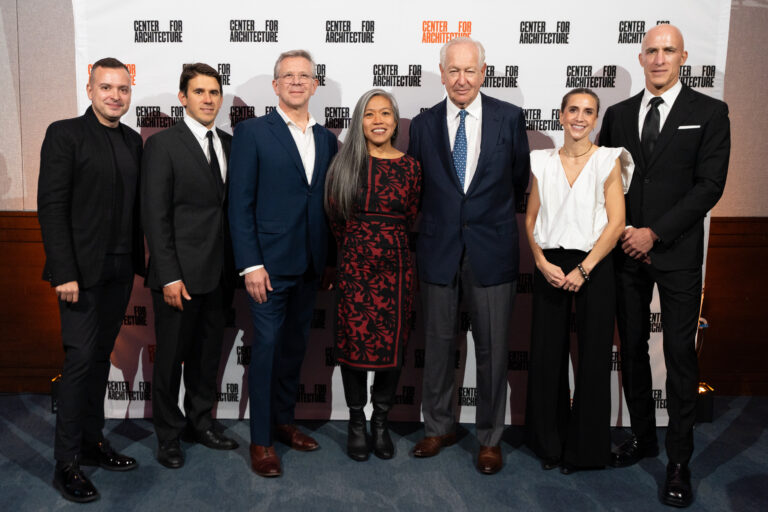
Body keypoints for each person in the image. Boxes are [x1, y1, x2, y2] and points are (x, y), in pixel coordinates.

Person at [598, 24, 730, 507]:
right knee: (630, 349)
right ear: (640, 57)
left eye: (668, 51)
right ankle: (643, 438)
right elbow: (607, 181)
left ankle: (678, 460)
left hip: (675, 254)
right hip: (625, 252)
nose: (659, 59)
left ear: (684, 56)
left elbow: (709, 186)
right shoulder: (616, 115)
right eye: (651, 50)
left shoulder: (711, 113)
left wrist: (655, 231)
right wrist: (627, 231)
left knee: (679, 357)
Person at [408, 37, 530, 474]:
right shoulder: (421, 126)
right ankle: (437, 428)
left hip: (492, 250)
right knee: (438, 347)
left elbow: (519, 181)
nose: (461, 79)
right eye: (452, 70)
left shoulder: (510, 119)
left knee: (494, 351)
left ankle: (490, 438)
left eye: (469, 70)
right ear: (441, 74)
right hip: (437, 250)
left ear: (483, 72)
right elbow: (418, 190)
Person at [38, 57, 144, 503]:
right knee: (80, 362)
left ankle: (92, 442)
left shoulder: (135, 141)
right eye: (106, 88)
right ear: (90, 90)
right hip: (78, 276)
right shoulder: (65, 134)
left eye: (122, 88)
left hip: (120, 271)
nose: (115, 95)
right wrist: (64, 272)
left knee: (100, 358)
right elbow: (52, 207)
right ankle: (67, 463)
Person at [228, 50, 338, 477]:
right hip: (268, 268)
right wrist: (250, 264)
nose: (296, 82)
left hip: (310, 264)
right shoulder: (253, 132)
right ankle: (260, 441)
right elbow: (240, 204)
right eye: (288, 76)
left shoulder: (328, 138)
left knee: (294, 349)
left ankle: (283, 420)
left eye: (304, 76)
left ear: (314, 85)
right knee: (268, 349)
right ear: (275, 86)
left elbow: (326, 204)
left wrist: (328, 260)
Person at [525, 88, 632, 474]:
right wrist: (539, 260)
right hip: (551, 265)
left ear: (596, 119)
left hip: (596, 263)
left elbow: (617, 222)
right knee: (547, 354)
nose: (580, 117)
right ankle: (549, 444)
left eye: (589, 111)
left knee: (593, 357)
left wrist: (585, 268)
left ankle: (585, 450)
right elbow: (531, 219)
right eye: (573, 109)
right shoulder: (541, 161)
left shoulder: (608, 160)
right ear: (560, 115)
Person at [142, 63, 238, 469]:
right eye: (199, 92)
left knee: (206, 356)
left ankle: (201, 422)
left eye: (214, 92)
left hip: (219, 275)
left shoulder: (230, 143)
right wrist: (169, 275)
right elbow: (155, 215)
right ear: (183, 97)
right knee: (169, 361)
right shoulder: (163, 145)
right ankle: (168, 436)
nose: (208, 99)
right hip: (178, 278)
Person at [325, 89, 421, 461]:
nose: (378, 120)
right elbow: (334, 217)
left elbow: (411, 214)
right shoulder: (344, 164)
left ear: (396, 121)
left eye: (385, 113)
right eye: (370, 114)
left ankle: (380, 423)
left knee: (392, 349)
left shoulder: (411, 167)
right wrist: (357, 247)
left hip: (397, 270)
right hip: (354, 268)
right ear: (359, 121)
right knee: (353, 348)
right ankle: (355, 422)